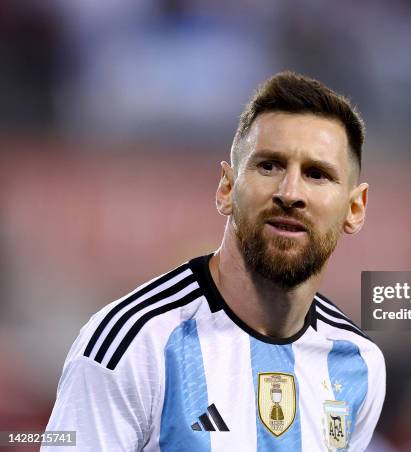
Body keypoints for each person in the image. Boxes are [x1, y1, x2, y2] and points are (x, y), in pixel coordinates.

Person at [44, 71, 385, 451]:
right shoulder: (134, 343)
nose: (290, 193)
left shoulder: (360, 363)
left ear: (354, 208)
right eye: (269, 166)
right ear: (226, 188)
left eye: (317, 174)